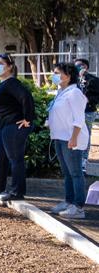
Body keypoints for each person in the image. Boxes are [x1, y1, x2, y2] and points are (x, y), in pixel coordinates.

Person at [0, 53, 35, 203]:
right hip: (4, 126)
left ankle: (17, 192)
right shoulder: (4, 83)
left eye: (1, 63)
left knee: (15, 159)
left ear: (10, 67)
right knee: (0, 158)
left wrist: (28, 119)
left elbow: (26, 97)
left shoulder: (12, 83)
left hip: (14, 125)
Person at [47, 62, 89, 219]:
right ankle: (69, 201)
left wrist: (73, 138)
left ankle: (78, 207)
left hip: (71, 139)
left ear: (69, 76)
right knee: (67, 173)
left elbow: (79, 119)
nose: (54, 75)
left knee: (76, 173)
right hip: (60, 137)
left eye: (58, 73)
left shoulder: (75, 93)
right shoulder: (62, 92)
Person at [75, 58, 99, 172]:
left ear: (86, 67)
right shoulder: (72, 79)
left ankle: (83, 162)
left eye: (80, 66)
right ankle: (75, 160)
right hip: (74, 112)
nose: (78, 68)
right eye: (76, 66)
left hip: (88, 112)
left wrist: (88, 99)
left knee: (85, 135)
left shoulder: (93, 80)